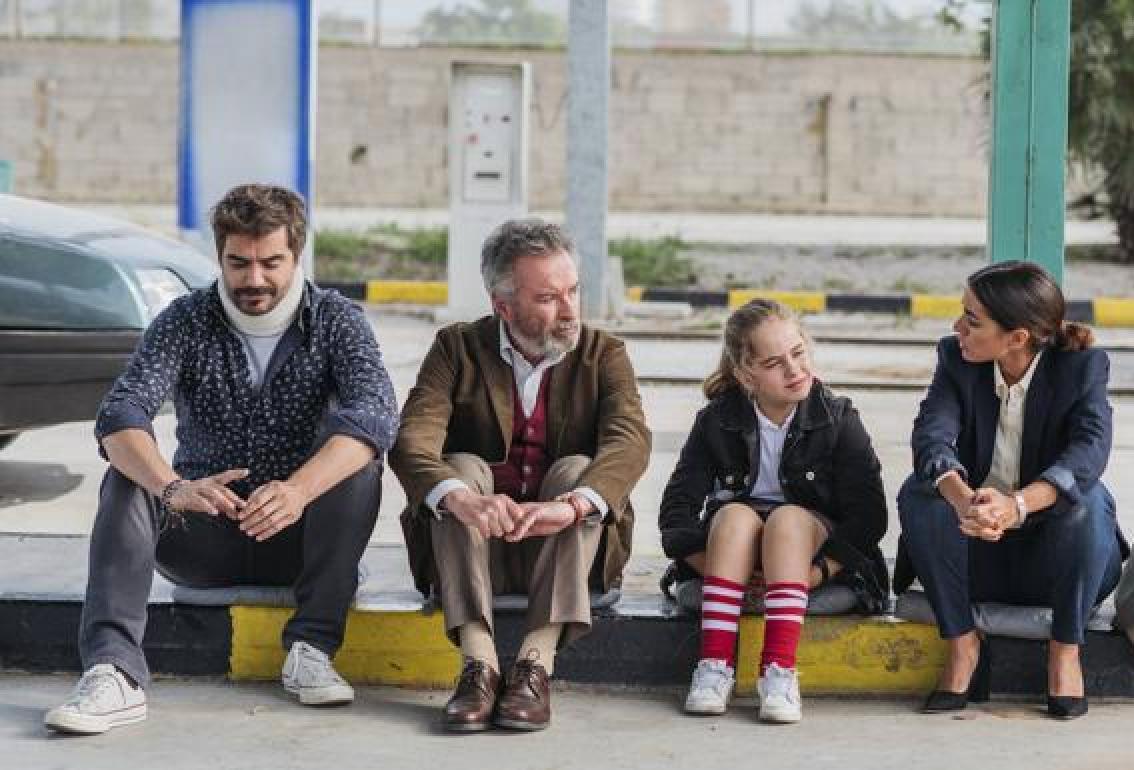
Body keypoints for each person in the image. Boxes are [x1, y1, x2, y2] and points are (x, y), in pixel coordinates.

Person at [44, 184, 398, 735]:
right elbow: (120, 412)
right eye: (239, 263)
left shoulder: (337, 320)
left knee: (359, 463)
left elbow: (376, 414)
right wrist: (172, 487)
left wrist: (298, 490)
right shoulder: (184, 319)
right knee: (127, 474)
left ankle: (311, 649)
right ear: (219, 256)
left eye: (270, 263)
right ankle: (113, 672)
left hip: (299, 540)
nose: (254, 279)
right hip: (201, 536)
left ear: (296, 255)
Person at [389, 219, 650, 733]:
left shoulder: (604, 354)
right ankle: (479, 665)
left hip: (568, 554)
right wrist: (459, 498)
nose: (570, 310)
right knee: (458, 470)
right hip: (473, 549)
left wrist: (572, 506)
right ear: (503, 306)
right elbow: (412, 439)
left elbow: (629, 441)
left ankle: (535, 663)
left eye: (573, 291)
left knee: (578, 472)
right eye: (548, 298)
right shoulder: (456, 349)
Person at [895, 260, 1128, 720]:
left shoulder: (1082, 368)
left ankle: (1065, 652)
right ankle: (963, 646)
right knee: (919, 492)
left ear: (1017, 337)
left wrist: (1017, 506)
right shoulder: (956, 360)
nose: (957, 327)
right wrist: (964, 500)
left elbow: (1088, 452)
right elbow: (932, 436)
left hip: (1057, 564)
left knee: (1090, 500)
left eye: (972, 320)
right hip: (975, 555)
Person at [658, 298, 888, 723]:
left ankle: (778, 671)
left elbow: (869, 516)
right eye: (774, 363)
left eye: (798, 353)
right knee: (734, 515)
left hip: (809, 555)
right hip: (733, 557)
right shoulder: (716, 420)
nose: (794, 370)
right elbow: (676, 512)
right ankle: (714, 667)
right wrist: (718, 571)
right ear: (746, 374)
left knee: (786, 519)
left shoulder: (837, 417)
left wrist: (814, 575)